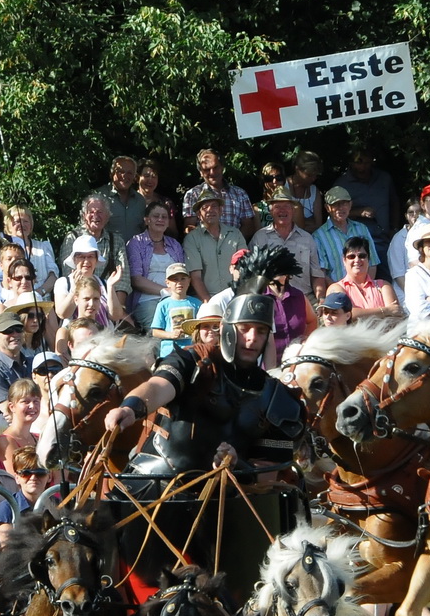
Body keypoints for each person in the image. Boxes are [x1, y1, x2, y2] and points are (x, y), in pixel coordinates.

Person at [105, 286, 304, 485]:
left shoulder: (276, 397)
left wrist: (237, 465)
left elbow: (266, 480)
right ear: (228, 329)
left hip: (228, 501)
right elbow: (158, 386)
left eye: (260, 331)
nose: (252, 338)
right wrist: (131, 407)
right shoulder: (194, 359)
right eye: (244, 329)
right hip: (153, 485)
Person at [249, 187, 326, 299]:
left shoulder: (307, 239)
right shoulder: (260, 238)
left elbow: (316, 274)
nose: (282, 210)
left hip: (304, 298)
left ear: (293, 210)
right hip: (271, 299)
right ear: (270, 211)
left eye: (286, 206)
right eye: (277, 207)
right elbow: (252, 274)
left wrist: (321, 299)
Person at [126, 200, 186, 325]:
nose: (160, 219)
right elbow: (136, 279)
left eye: (164, 217)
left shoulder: (175, 245)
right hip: (148, 300)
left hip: (175, 298)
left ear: (168, 222)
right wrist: (165, 291)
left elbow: (183, 274)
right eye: (156, 216)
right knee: (159, 334)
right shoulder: (136, 243)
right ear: (147, 220)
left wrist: (174, 294)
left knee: (184, 329)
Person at [182, 147, 257, 237]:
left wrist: (234, 242)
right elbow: (189, 227)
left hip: (235, 247)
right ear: (201, 172)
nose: (212, 172)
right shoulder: (193, 194)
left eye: (215, 167)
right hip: (204, 248)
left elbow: (248, 226)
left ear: (222, 167)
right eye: (207, 169)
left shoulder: (240, 193)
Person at [329, 238, 401, 320]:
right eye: (351, 256)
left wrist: (359, 314)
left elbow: (396, 315)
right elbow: (344, 315)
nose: (357, 260)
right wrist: (386, 310)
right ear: (344, 260)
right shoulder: (336, 288)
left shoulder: (383, 286)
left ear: (368, 259)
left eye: (362, 256)